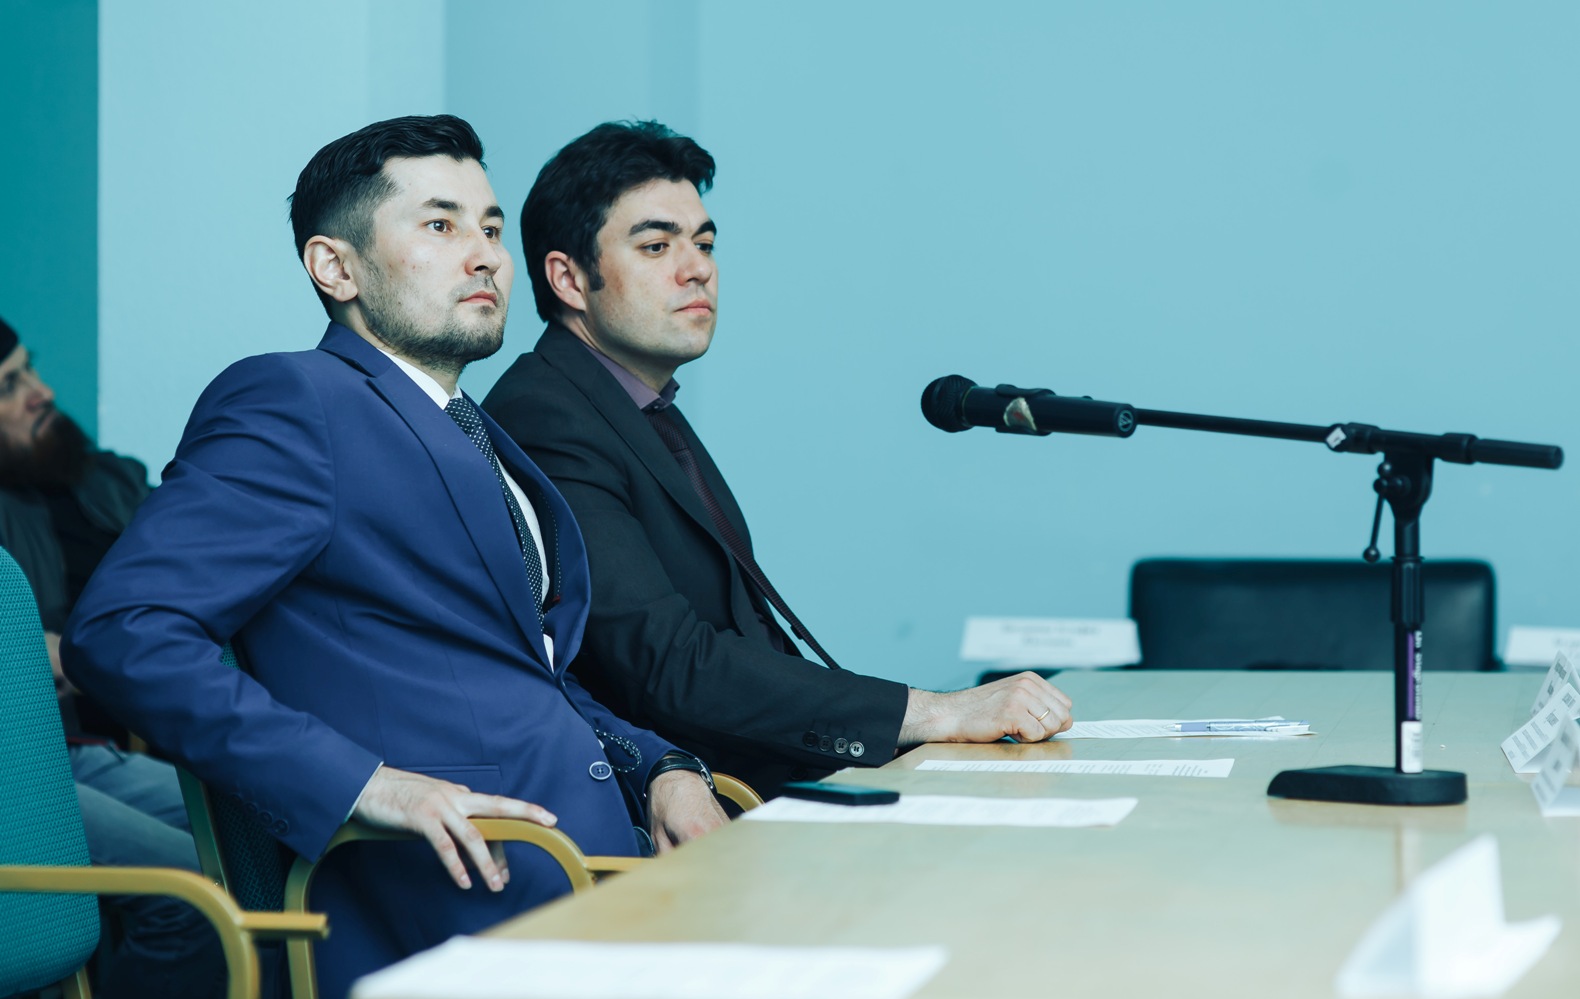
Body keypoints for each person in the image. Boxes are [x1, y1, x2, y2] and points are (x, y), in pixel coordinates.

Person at [64, 115, 725, 999]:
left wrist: (662, 767)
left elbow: (529, 676)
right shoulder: (294, 401)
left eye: (490, 227)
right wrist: (361, 784)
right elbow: (123, 629)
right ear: (335, 268)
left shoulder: (474, 430)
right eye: (441, 225)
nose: (485, 255)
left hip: (600, 880)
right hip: (455, 912)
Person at [482, 121, 1075, 797]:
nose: (697, 268)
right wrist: (933, 712)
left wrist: (913, 731)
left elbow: (746, 639)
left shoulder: (640, 408)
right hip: (680, 809)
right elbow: (666, 664)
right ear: (568, 278)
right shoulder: (547, 416)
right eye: (656, 246)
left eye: (705, 243)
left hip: (764, 781)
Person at [0, 315, 226, 997]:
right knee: (190, 886)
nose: (40, 392)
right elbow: (33, 659)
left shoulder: (107, 480)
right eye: (9, 386)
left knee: (252, 828)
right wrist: (88, 653)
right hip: (24, 766)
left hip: (88, 745)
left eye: (30, 369)